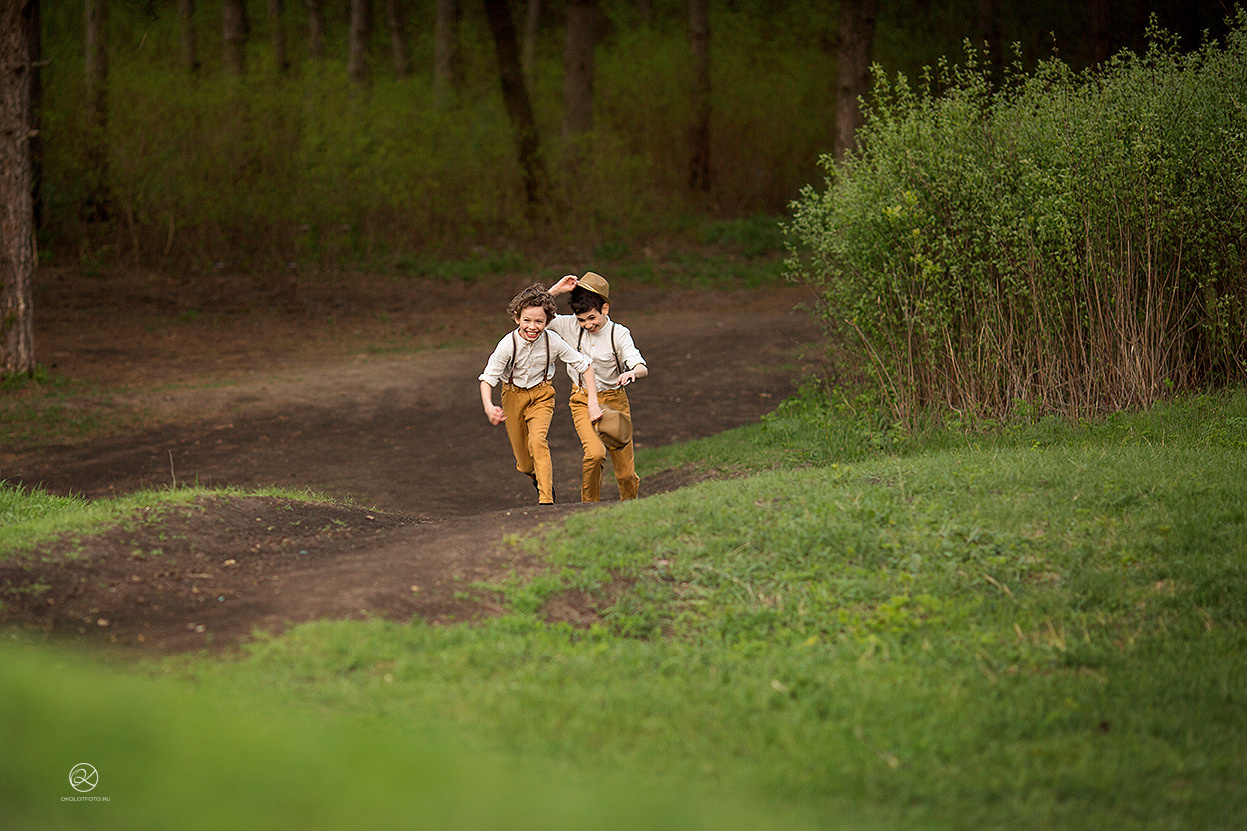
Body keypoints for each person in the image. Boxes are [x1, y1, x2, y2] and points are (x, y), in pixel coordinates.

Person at [480, 284, 601, 505]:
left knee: (538, 440)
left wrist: (593, 402)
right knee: (525, 464)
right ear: (517, 319)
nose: (532, 327)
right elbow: (488, 378)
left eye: (539, 322)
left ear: (548, 322)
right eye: (527, 320)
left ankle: (546, 499)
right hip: (512, 396)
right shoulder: (508, 345)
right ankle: (537, 478)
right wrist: (489, 407)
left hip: (542, 395)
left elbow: (585, 366)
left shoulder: (552, 341)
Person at [548, 272, 648, 502]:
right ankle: (587, 508)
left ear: (605, 309)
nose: (587, 325)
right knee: (594, 455)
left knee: (625, 474)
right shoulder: (569, 325)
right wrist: (556, 290)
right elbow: (531, 313)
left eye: (592, 318)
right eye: (582, 320)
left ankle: (630, 508)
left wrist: (632, 372)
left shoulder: (619, 333)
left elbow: (641, 366)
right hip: (582, 399)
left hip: (614, 402)